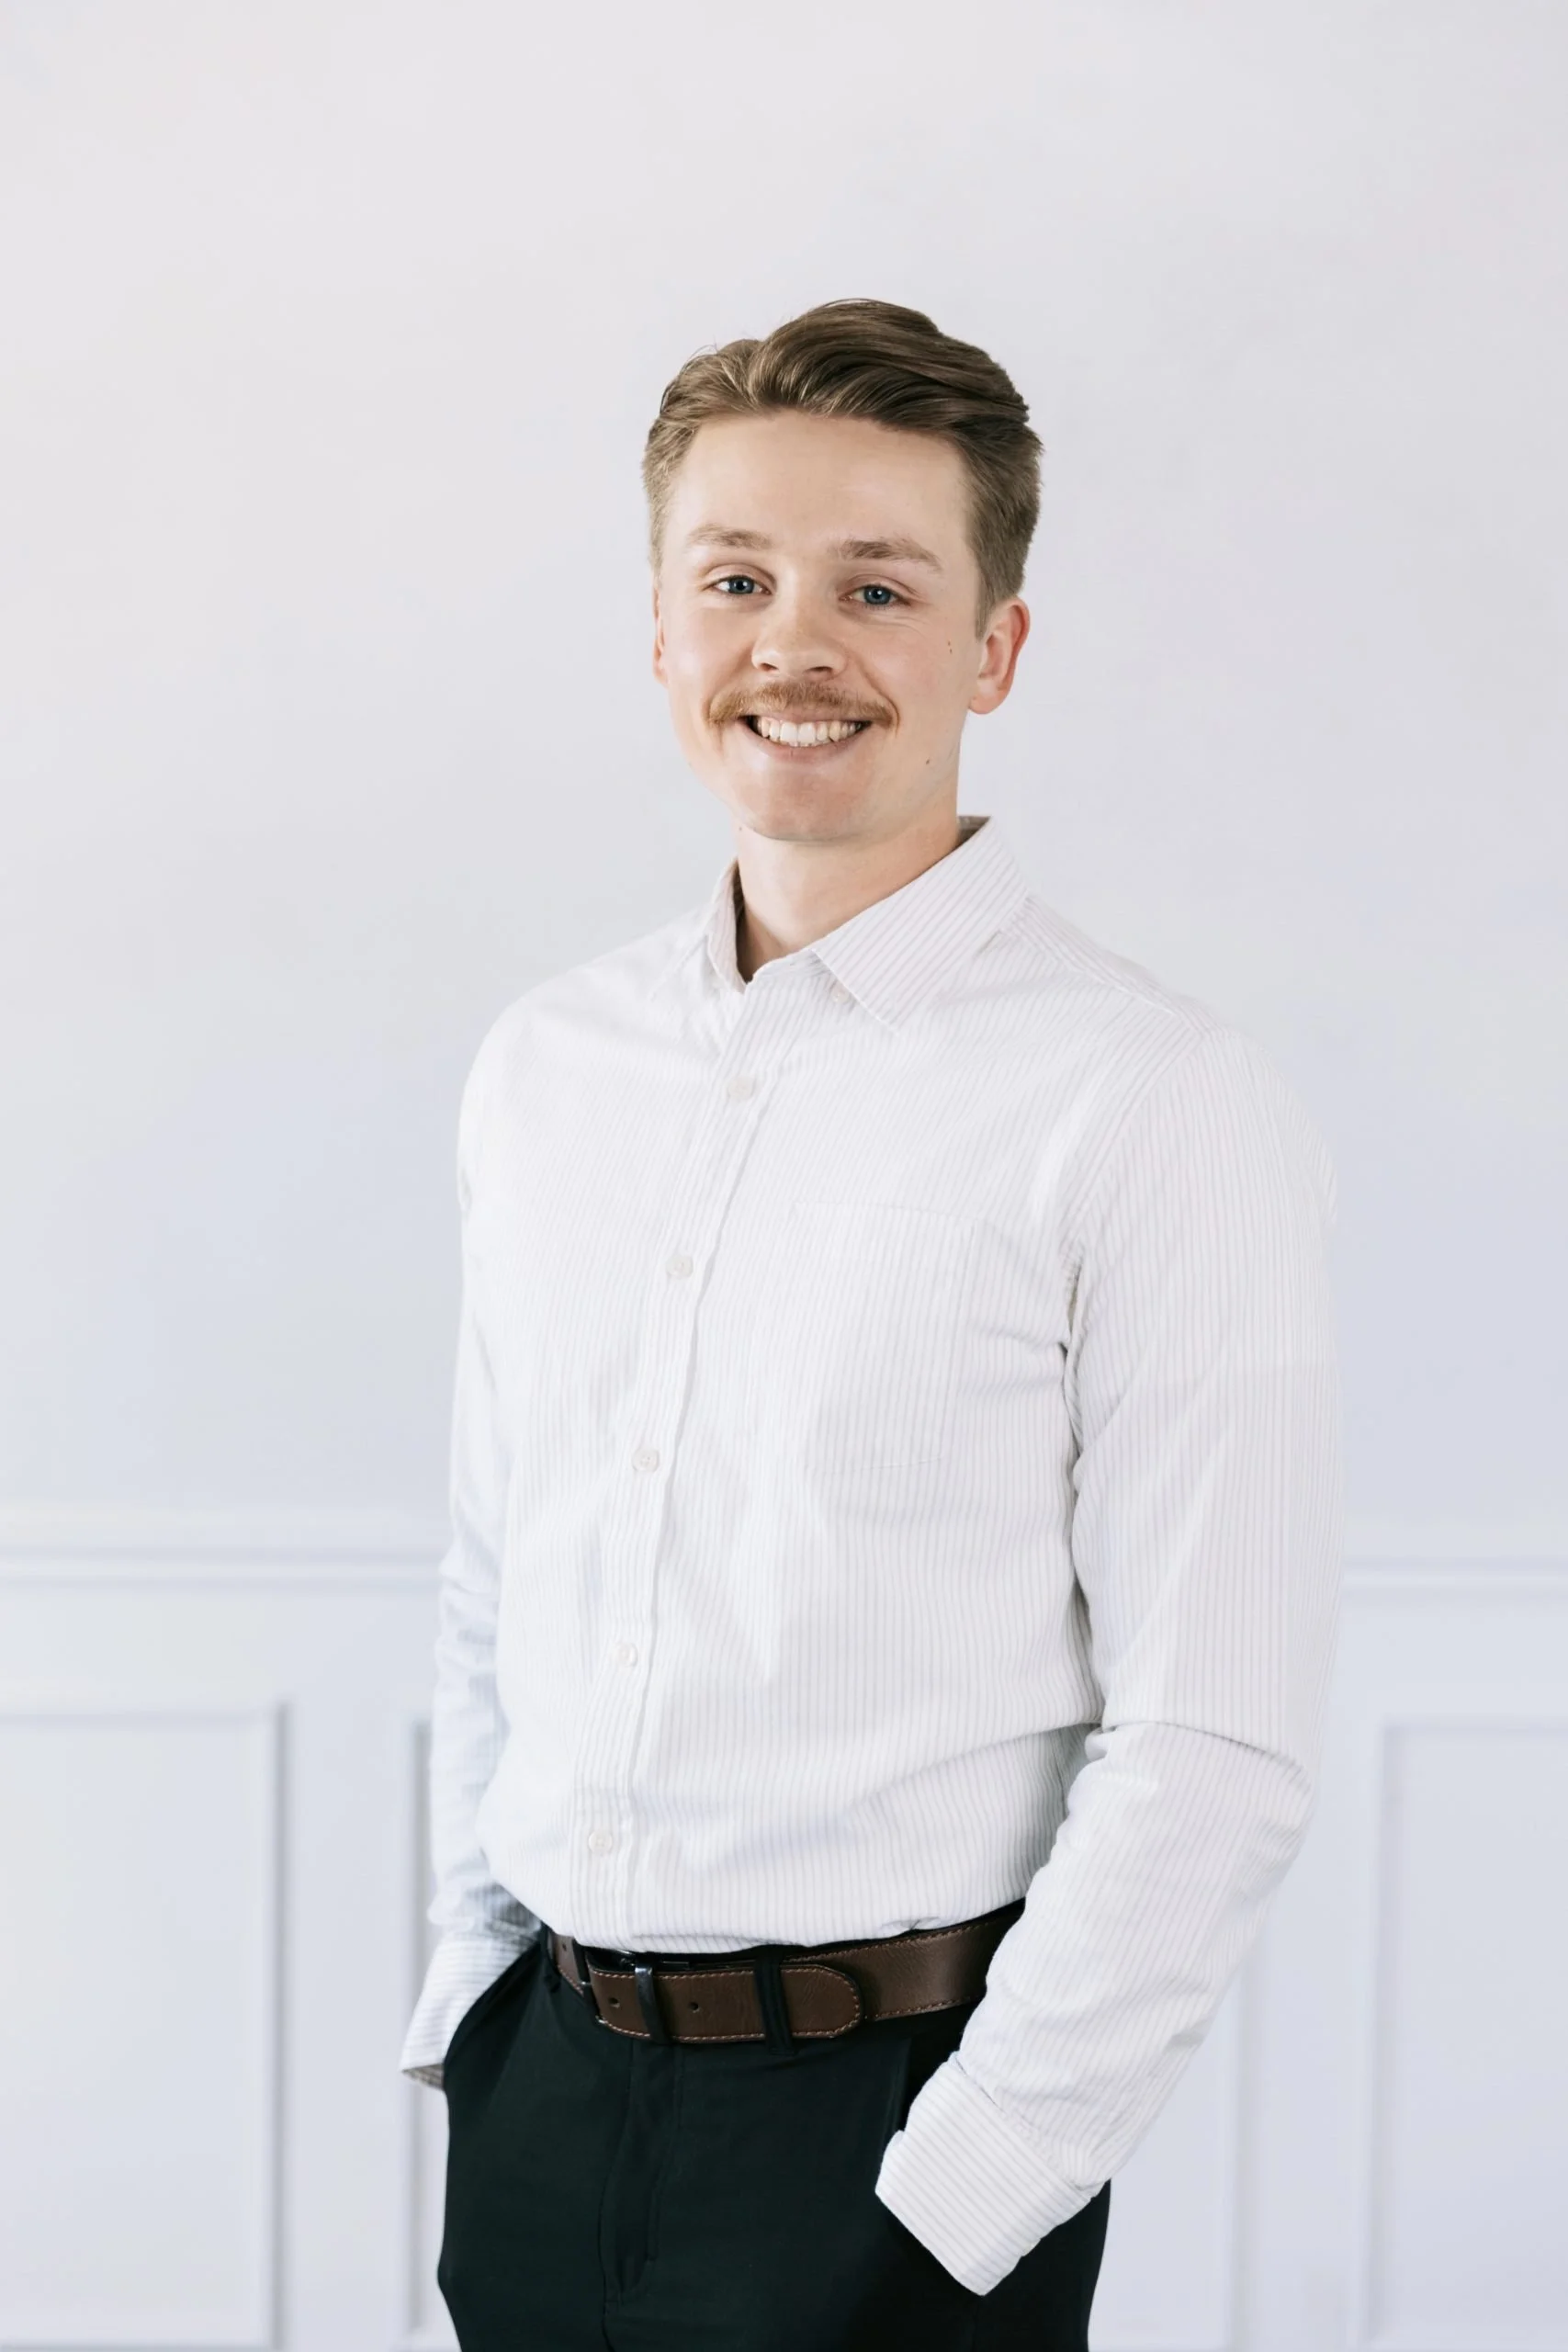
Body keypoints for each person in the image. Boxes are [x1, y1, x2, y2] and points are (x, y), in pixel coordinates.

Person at [400, 299, 1342, 2350]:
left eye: (877, 585)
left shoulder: (1155, 1100)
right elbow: (499, 1575)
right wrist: (472, 2017)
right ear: (658, 628)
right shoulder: (542, 1065)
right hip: (543, 2106)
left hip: (893, 2139)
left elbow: (1215, 1737)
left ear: (992, 648)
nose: (790, 642)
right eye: (733, 577)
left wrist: (959, 2192)